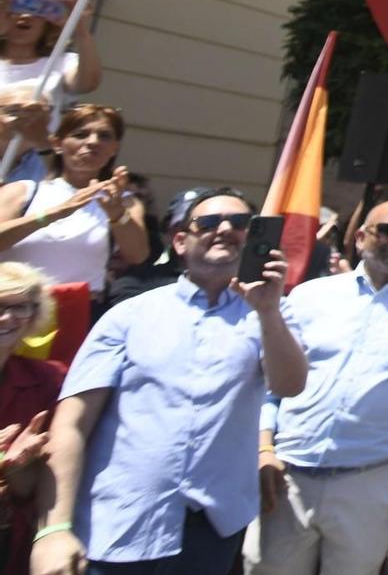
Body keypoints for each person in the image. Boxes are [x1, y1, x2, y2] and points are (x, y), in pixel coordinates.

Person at [34, 188, 305, 575]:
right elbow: (73, 422)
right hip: (119, 524)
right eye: (209, 222)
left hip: (210, 530)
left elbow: (289, 385)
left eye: (242, 224)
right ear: (180, 241)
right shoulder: (129, 315)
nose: (225, 229)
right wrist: (54, 530)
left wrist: (267, 311)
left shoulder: (271, 314)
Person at [246, 199, 388, 575]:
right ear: (360, 238)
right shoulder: (310, 296)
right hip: (289, 475)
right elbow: (268, 382)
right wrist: (263, 447)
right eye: (387, 230)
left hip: (371, 481)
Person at [0, 106, 148, 360]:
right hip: (14, 313)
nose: (92, 142)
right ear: (58, 143)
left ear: (114, 148)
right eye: (80, 134)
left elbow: (138, 255)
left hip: (78, 316)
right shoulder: (24, 191)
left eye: (104, 136)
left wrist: (116, 213)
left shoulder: (124, 201)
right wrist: (54, 213)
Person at [0, 0, 101, 188]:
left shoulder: (60, 62)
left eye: (37, 10)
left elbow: (87, 83)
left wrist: (80, 29)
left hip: (27, 167)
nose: (25, 15)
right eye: (17, 8)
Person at [0, 263, 63, 575]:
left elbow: (34, 488)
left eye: (20, 306)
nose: (8, 318)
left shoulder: (49, 379)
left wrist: (17, 470)